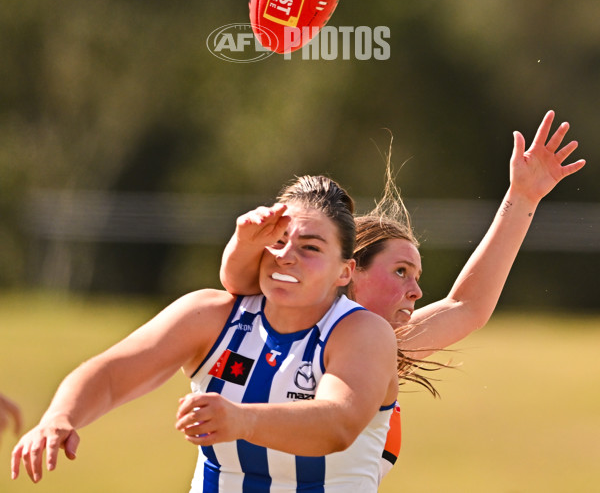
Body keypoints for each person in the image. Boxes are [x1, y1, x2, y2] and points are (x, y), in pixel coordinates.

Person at [219, 110, 586, 477]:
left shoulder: (378, 348)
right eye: (400, 272)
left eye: (415, 275)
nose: (416, 291)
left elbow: (467, 305)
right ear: (348, 273)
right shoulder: (273, 332)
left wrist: (523, 197)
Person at [11, 176, 399, 491]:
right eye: (278, 242)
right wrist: (59, 417)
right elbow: (113, 373)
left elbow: (338, 424)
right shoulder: (214, 315)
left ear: (345, 272)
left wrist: (241, 420)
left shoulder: (361, 330)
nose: (287, 256)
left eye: (310, 247)